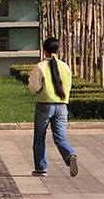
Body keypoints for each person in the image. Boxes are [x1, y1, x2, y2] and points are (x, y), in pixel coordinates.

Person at [28, 37, 78, 178]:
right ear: (58, 50)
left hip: (44, 105)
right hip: (62, 106)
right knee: (60, 138)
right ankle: (70, 155)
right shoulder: (65, 66)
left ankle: (41, 168)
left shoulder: (40, 67)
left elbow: (34, 87)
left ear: (44, 51)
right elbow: (68, 86)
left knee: (39, 138)